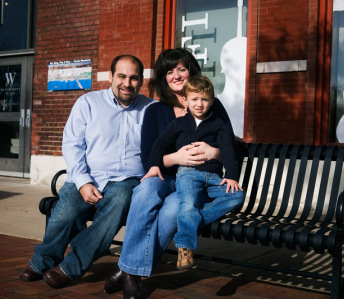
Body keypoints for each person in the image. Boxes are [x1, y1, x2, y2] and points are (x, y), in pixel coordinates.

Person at [103, 48, 243, 298]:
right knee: (145, 190)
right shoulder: (156, 111)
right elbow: (148, 157)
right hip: (165, 175)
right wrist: (176, 158)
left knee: (170, 212)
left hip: (195, 182)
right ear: (163, 78)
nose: (176, 75)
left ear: (191, 71)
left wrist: (214, 153)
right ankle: (131, 270)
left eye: (182, 68)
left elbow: (232, 146)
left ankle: (129, 273)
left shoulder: (211, 104)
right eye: (170, 71)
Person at [19, 55, 154, 289]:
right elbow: (72, 144)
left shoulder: (151, 109)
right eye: (121, 76)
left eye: (133, 78)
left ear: (141, 81)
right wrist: (82, 182)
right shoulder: (88, 103)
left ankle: (70, 267)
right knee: (65, 213)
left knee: (120, 201)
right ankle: (43, 260)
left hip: (128, 180)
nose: (127, 83)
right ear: (111, 76)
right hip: (88, 176)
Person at [144, 75, 244, 269]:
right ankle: (185, 248)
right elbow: (159, 144)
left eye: (204, 99)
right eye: (194, 99)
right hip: (188, 175)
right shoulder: (179, 124)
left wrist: (231, 176)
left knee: (237, 195)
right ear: (186, 101)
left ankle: (189, 220)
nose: (199, 104)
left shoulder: (218, 125)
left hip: (213, 177)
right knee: (188, 203)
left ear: (212, 102)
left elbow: (228, 151)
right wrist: (155, 165)